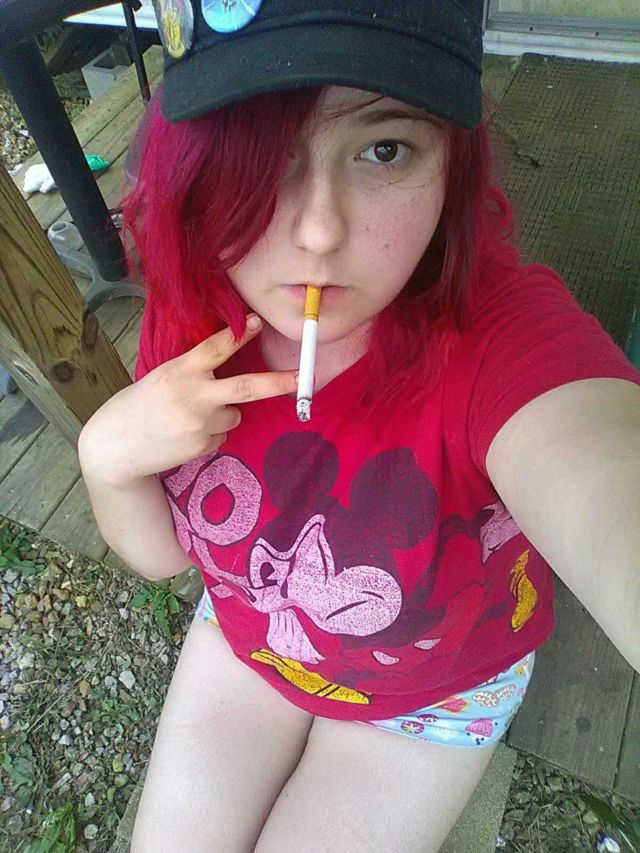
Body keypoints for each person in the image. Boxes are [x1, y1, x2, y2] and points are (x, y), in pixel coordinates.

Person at [77, 1, 640, 850]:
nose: (317, 231)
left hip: (428, 699)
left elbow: (599, 463)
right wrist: (106, 456)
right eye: (262, 152)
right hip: (251, 634)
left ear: (451, 159)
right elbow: (163, 555)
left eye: (384, 149)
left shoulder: (499, 338)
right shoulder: (198, 312)